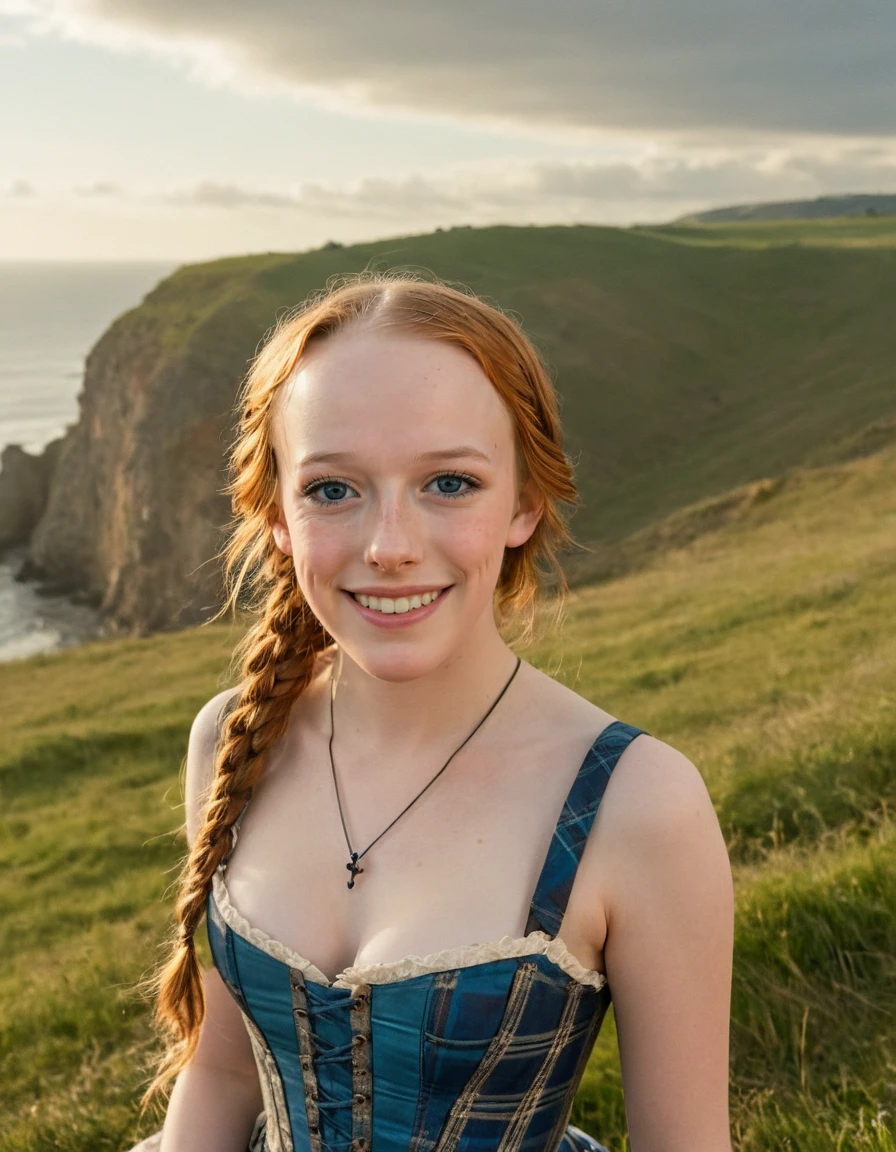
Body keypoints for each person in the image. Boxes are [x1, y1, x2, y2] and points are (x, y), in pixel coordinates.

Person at [132, 273, 734, 1152]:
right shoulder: (234, 739)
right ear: (277, 518)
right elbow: (223, 1076)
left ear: (525, 502)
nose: (390, 547)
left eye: (449, 482)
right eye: (333, 490)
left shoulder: (636, 804)